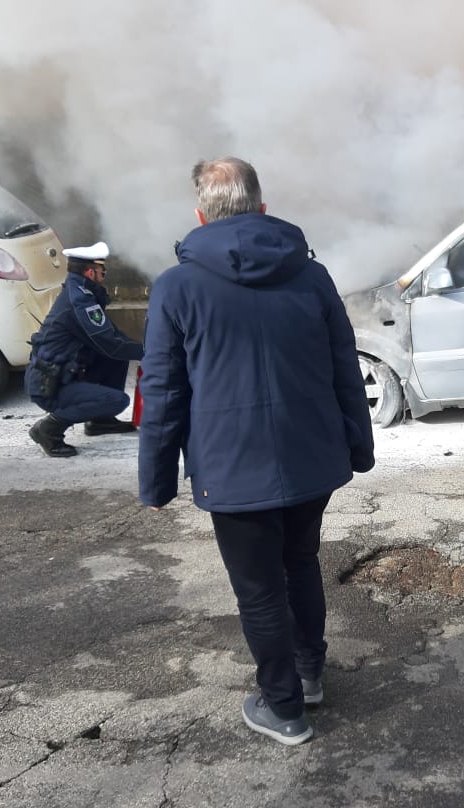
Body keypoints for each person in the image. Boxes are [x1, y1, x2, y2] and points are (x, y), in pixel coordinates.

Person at [137, 158, 375, 747]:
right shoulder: (311, 277)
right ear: (262, 209)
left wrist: (157, 480)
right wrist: (358, 446)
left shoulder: (176, 286)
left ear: (200, 214)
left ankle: (284, 707)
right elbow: (345, 367)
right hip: (312, 459)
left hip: (231, 469)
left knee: (260, 589)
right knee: (299, 564)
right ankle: (310, 674)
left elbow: (162, 390)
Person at [25, 242, 143, 458]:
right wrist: (153, 352)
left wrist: (142, 348)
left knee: (115, 359)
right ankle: (48, 429)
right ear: (90, 272)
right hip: (50, 385)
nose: (104, 275)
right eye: (102, 271)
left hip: (64, 375)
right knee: (118, 400)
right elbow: (111, 344)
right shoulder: (80, 300)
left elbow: (115, 338)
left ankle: (100, 421)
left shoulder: (82, 291)